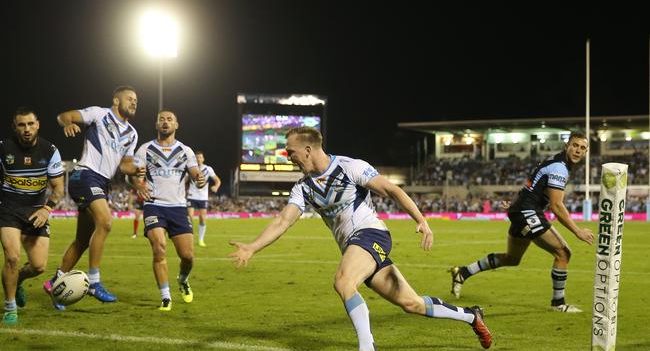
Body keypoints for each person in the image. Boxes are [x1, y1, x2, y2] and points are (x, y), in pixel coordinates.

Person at [229, 127, 492, 350]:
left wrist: (421, 220)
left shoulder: (349, 167)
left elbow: (391, 189)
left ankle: (367, 347)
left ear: (307, 150)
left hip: (370, 234)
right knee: (412, 304)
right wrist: (252, 247)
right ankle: (471, 316)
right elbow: (283, 221)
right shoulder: (303, 188)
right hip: (356, 248)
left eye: (291, 152)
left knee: (344, 282)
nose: (289, 157)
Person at [449, 132, 594, 313]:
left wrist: (515, 204)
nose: (578, 150)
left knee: (512, 258)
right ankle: (559, 303)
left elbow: (529, 184)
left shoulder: (553, 161)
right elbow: (556, 206)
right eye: (575, 145)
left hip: (521, 210)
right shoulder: (560, 168)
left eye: (582, 148)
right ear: (567, 146)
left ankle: (462, 272)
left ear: (586, 151)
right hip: (528, 211)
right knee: (563, 253)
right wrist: (577, 231)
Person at [43, 85, 143, 308]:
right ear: (116, 101)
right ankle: (95, 283)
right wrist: (68, 123)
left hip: (102, 183)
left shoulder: (132, 134)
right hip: (85, 175)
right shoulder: (99, 114)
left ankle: (55, 283)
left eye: (137, 99)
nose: (135, 102)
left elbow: (125, 165)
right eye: (130, 98)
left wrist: (136, 170)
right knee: (105, 223)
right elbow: (64, 116)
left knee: (82, 241)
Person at [132, 110, 205, 311]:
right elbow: (134, 174)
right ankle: (165, 297)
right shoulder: (145, 149)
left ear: (176, 125)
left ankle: (182, 280)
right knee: (159, 248)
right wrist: (138, 185)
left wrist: (200, 179)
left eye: (169, 119)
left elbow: (196, 175)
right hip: (154, 205)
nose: (165, 122)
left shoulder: (185, 151)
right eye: (162, 119)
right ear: (156, 125)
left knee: (187, 256)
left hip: (178, 208)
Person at [0, 108, 65, 325]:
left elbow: (58, 189)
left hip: (37, 210)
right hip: (8, 209)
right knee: (12, 257)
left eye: (30, 124)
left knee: (38, 266)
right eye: (21, 125)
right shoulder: (4, 149)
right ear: (14, 127)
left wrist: (47, 209)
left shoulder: (50, 150)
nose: (26, 129)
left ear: (37, 125)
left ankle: (17, 280)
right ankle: (10, 308)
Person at [186, 151, 220, 247]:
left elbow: (217, 180)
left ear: (203, 159)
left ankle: (201, 240)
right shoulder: (191, 169)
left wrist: (216, 187)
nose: (198, 159)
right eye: (197, 157)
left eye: (200, 157)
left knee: (202, 218)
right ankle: (189, 238)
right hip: (191, 195)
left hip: (202, 197)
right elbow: (185, 180)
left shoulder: (208, 169)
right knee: (190, 217)